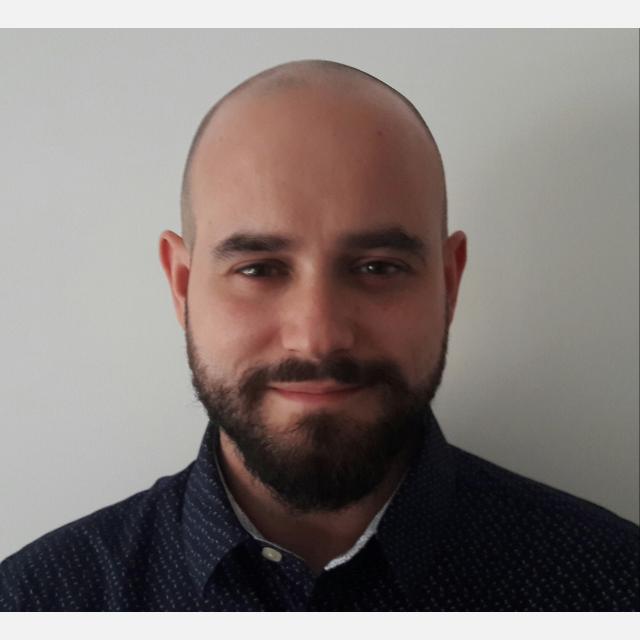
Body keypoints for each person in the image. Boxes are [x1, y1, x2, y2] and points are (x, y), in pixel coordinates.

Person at [0, 59, 637, 612]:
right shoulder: (36, 602)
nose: (318, 338)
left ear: (448, 282)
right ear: (182, 285)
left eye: (378, 268)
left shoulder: (613, 588)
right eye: (259, 269)